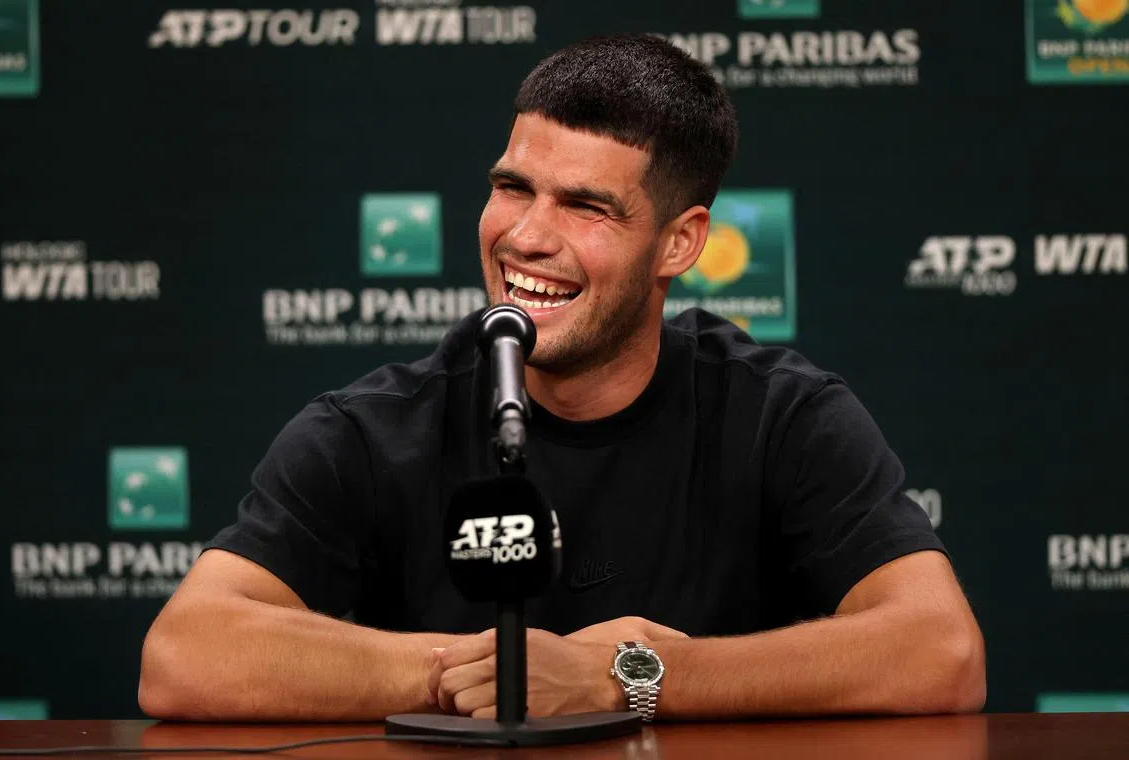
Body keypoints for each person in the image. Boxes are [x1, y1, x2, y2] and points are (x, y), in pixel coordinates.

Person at [138, 33, 985, 723]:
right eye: (512, 188)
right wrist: (485, 672)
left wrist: (626, 677)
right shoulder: (377, 427)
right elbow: (186, 655)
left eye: (585, 206)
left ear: (681, 244)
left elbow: (940, 651)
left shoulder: (780, 413)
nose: (525, 238)